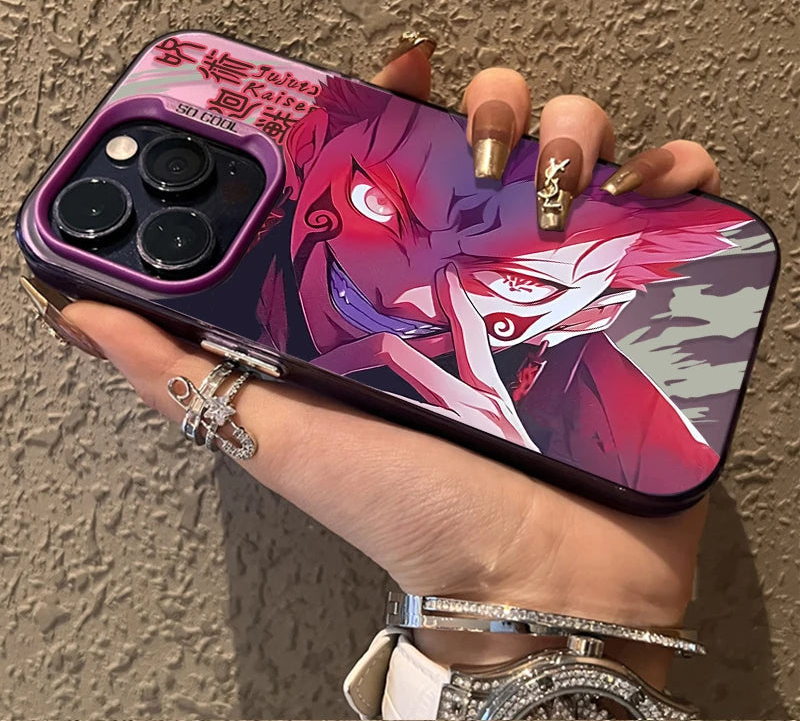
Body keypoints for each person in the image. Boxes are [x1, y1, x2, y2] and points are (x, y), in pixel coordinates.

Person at [54, 37, 725, 717]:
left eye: (517, 278)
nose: (418, 287)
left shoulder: (631, 437)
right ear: (315, 181)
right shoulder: (232, 282)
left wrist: (549, 597)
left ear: (593, 312)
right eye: (378, 203)